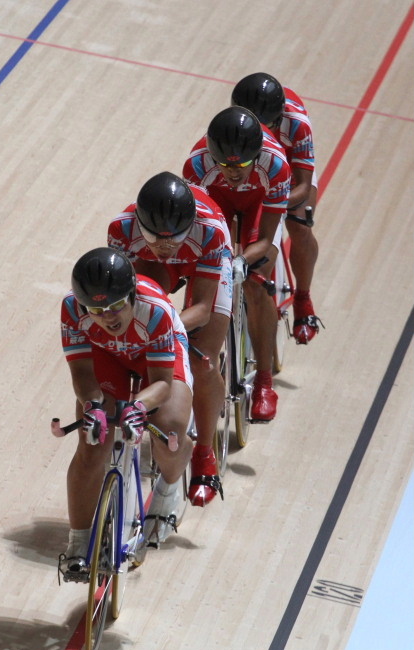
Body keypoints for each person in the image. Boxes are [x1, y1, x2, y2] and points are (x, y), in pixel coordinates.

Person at [58, 247, 193, 580]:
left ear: (132, 295)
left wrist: (138, 406)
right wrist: (92, 406)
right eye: (98, 310)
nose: (108, 316)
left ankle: (168, 490)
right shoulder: (72, 310)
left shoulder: (156, 311)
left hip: (155, 359)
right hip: (108, 356)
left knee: (170, 428)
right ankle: (78, 543)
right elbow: (82, 375)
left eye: (117, 305)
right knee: (91, 446)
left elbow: (162, 384)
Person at [108, 171, 232, 507]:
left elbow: (203, 309)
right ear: (139, 224)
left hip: (204, 259)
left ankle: (205, 453)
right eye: (155, 237)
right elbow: (131, 301)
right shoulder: (122, 230)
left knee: (201, 359)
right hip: (160, 268)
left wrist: (165, 329)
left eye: (173, 238)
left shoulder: (209, 230)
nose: (165, 246)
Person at [183, 106, 290, 422]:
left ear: (256, 155)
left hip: (258, 206)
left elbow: (268, 239)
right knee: (201, 282)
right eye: (225, 164)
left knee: (257, 284)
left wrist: (243, 260)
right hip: (217, 205)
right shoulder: (197, 165)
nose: (233, 171)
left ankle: (264, 385)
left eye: (242, 164)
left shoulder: (276, 165)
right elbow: (200, 231)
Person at [231, 72, 323, 344]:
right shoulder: (233, 123)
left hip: (291, 169)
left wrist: (277, 206)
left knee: (299, 223)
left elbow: (303, 187)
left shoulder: (297, 124)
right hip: (256, 166)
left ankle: (303, 301)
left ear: (279, 117)